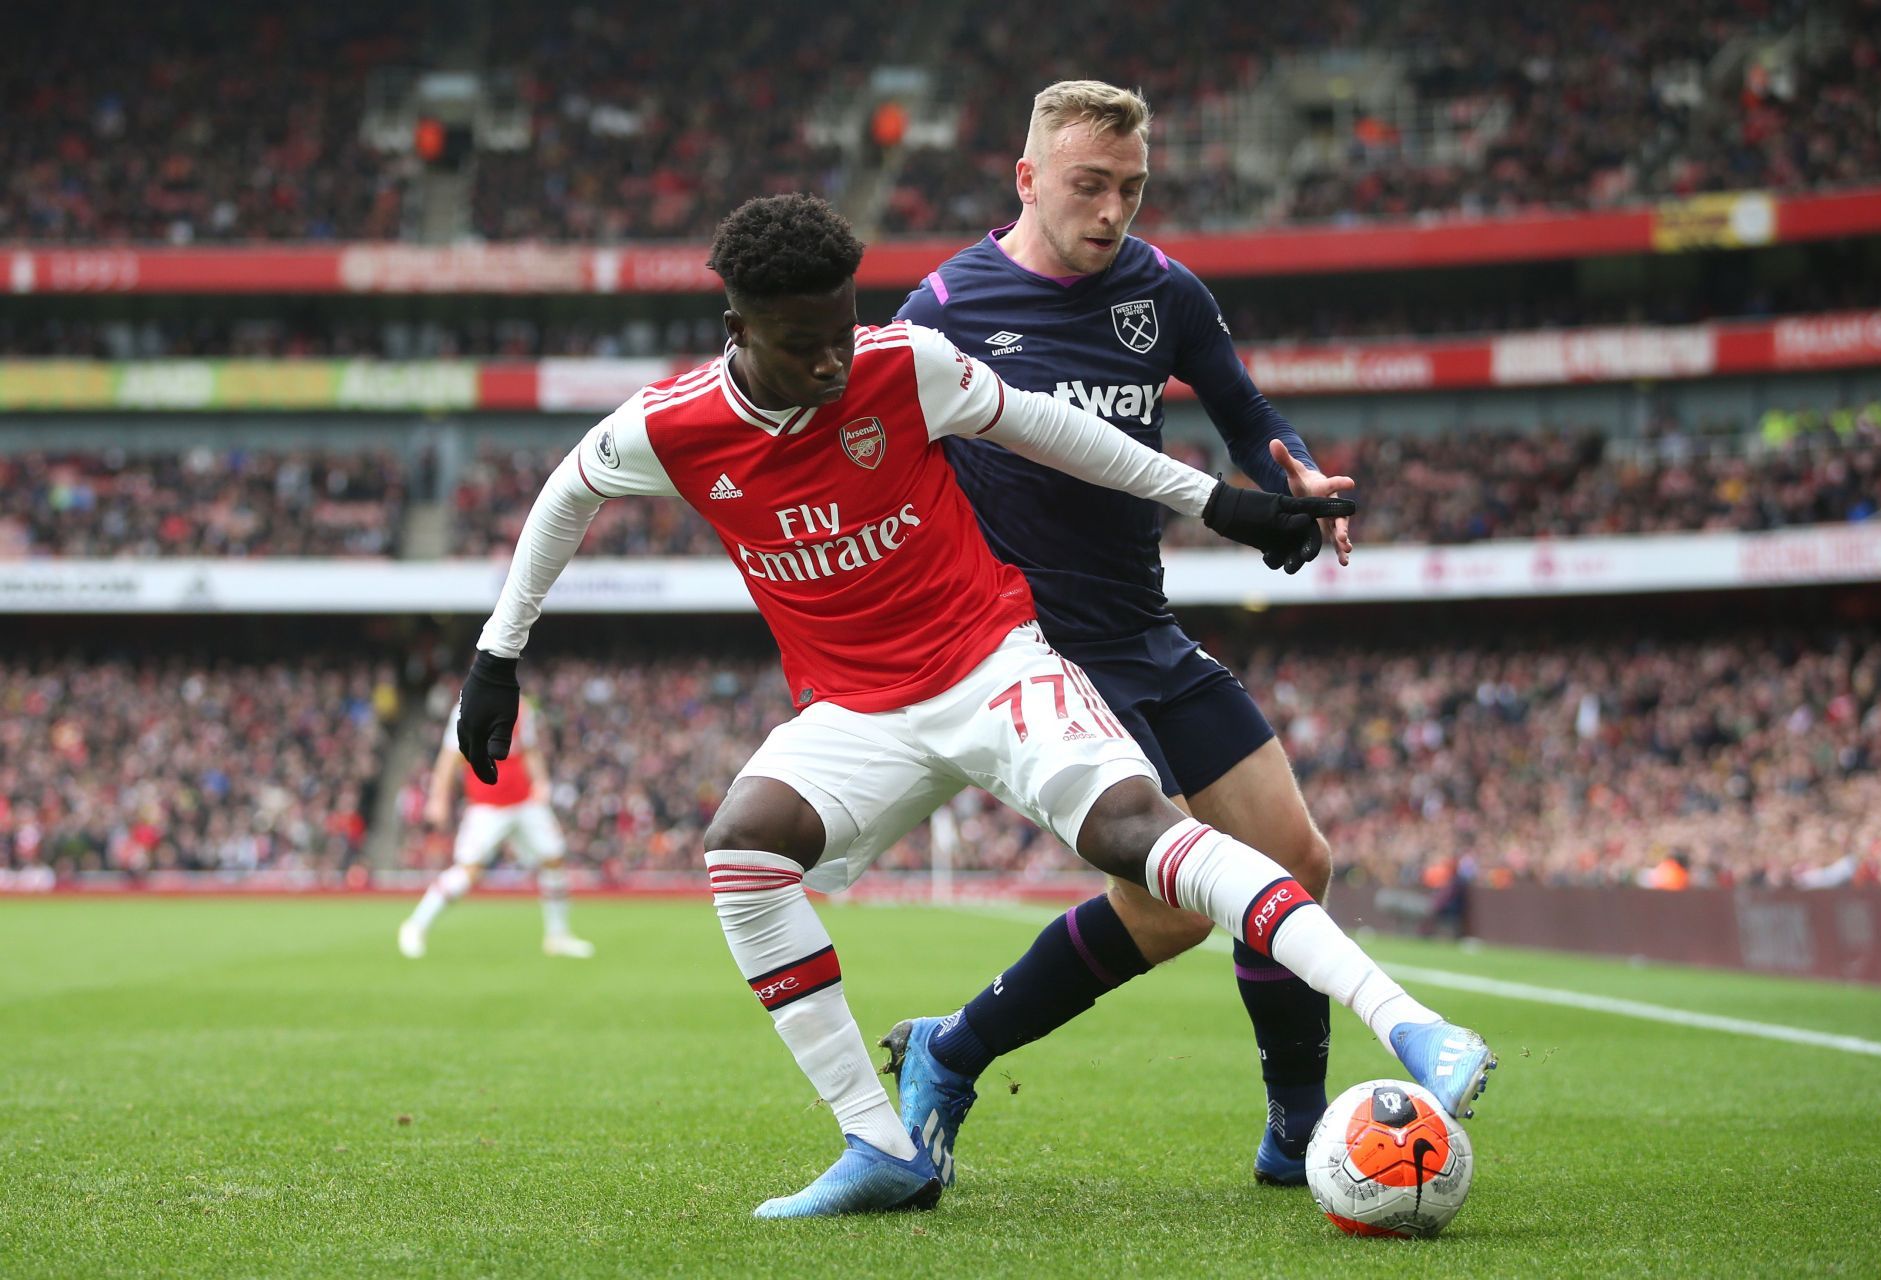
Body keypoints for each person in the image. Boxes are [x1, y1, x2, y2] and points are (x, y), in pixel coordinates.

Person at [453, 193, 1489, 1219]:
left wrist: (1216, 500)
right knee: (743, 850)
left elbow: (1061, 432)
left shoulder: (903, 363)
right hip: (855, 710)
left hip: (991, 660)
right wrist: (498, 654)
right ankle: (878, 1142)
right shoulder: (671, 427)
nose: (832, 363)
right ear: (739, 331)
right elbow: (565, 492)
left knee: (1141, 833)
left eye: (842, 332)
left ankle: (1410, 1026)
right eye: (804, 344)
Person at [884, 80, 1355, 1190]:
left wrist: (1286, 463)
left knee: (1297, 862)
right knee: (1168, 902)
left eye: (1132, 189)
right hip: (1039, 649)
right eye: (1089, 186)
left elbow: (1245, 412)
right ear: (1029, 178)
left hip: (1144, 626)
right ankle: (951, 1051)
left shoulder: (1163, 288)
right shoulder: (940, 310)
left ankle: (1298, 1131)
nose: (1112, 213)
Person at [398, 695, 594, 959]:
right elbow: (449, 758)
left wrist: (541, 782)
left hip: (524, 802)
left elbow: (529, 751)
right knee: (469, 871)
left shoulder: (521, 707)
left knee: (554, 859)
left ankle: (557, 936)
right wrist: (438, 798)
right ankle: (416, 925)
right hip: (486, 805)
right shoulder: (466, 707)